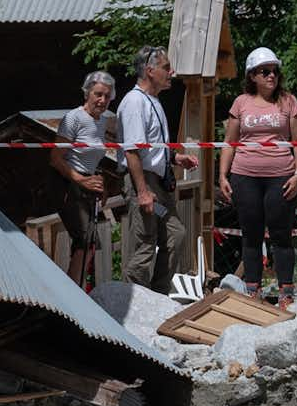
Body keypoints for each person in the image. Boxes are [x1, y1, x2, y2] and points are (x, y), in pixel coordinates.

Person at [218, 46, 297, 302]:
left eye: (274, 71)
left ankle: (286, 291)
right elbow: (229, 142)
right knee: (251, 234)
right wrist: (223, 176)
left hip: (281, 175)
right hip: (244, 176)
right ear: (252, 76)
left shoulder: (288, 101)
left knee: (281, 234)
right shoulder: (241, 103)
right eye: (264, 71)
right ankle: (252, 291)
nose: (271, 76)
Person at [118, 45, 196, 292]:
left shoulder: (153, 101)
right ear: (150, 71)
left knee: (175, 233)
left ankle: (158, 292)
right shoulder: (134, 102)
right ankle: (133, 295)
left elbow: (150, 146)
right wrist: (142, 191)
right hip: (144, 182)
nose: (171, 72)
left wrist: (174, 158)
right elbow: (132, 151)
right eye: (165, 67)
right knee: (146, 241)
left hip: (159, 184)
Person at [51, 71, 116, 288]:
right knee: (86, 240)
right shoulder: (73, 118)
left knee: (88, 241)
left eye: (107, 96)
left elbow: (92, 157)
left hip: (87, 183)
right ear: (87, 92)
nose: (102, 100)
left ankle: (76, 288)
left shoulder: (102, 121)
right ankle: (72, 292)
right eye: (98, 94)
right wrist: (81, 180)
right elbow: (56, 158)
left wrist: (100, 184)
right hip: (68, 183)